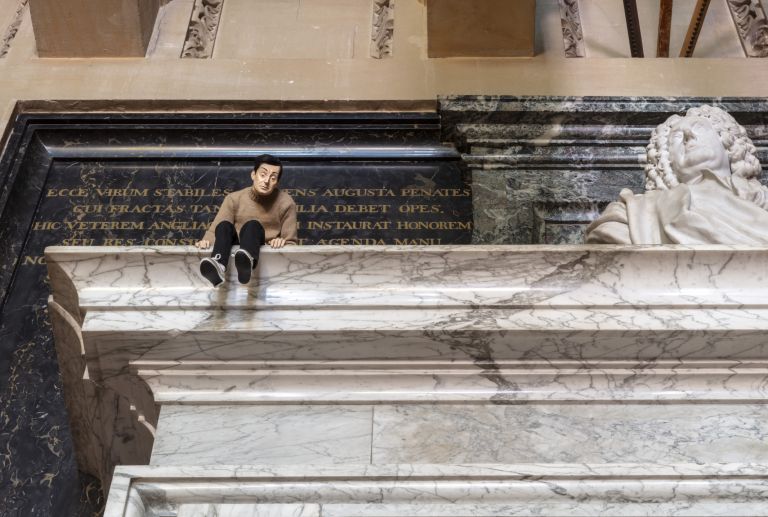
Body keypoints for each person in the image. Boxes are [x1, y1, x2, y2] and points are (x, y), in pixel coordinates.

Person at [586, 105, 768, 244]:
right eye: (677, 137)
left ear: (729, 144)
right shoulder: (633, 215)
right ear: (666, 162)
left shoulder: (763, 201)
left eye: (700, 128)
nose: (689, 135)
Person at [195, 155, 297, 286]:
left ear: (277, 182)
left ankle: (246, 262)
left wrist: (281, 241)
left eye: (273, 178)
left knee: (252, 225)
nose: (266, 181)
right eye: (263, 174)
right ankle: (219, 265)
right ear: (253, 175)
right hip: (236, 243)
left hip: (261, 245)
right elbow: (215, 230)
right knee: (224, 225)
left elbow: (291, 244)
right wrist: (205, 242)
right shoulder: (234, 198)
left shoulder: (286, 203)